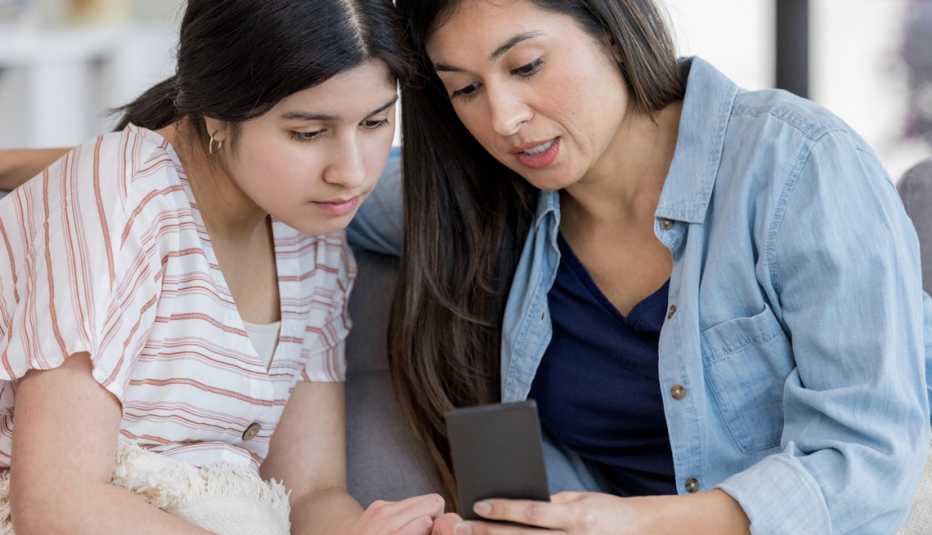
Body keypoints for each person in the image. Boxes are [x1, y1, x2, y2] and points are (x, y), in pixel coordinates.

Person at [381, 1, 931, 534]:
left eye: (526, 66)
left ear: (612, 33)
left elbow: (868, 462)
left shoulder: (799, 164)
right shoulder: (478, 198)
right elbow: (318, 174)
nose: (504, 120)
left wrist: (630, 524)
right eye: (466, 89)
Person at [0, 1, 449, 534]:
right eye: (307, 133)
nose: (350, 172)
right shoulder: (122, 197)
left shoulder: (312, 233)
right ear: (217, 113)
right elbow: (56, 508)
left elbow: (309, 493)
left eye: (375, 122)